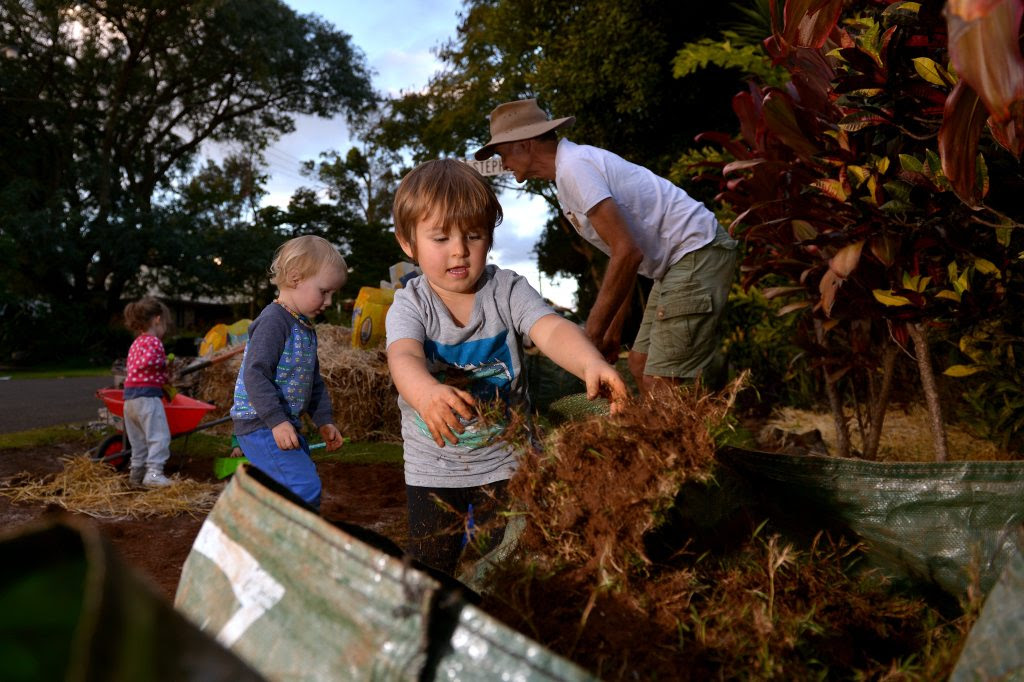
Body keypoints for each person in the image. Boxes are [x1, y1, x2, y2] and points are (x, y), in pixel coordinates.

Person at [385, 158, 628, 576]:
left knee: (515, 565)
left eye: (474, 235)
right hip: (434, 467)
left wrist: (589, 360)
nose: (459, 249)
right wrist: (425, 393)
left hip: (509, 464)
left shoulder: (507, 289)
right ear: (408, 243)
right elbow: (403, 357)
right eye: (441, 237)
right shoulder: (411, 303)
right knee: (429, 570)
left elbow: (550, 329)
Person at [475, 98, 739, 396]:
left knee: (661, 380)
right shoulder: (568, 175)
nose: (503, 164)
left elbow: (628, 253)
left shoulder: (574, 169)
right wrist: (613, 331)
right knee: (640, 364)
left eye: (502, 153)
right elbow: (624, 257)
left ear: (524, 144)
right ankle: (663, 439)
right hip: (679, 261)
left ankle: (686, 442)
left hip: (696, 252)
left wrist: (590, 338)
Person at [230, 235, 347, 511]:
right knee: (302, 488)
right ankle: (291, 546)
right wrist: (276, 421)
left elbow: (312, 382)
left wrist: (324, 421)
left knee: (290, 485)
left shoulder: (304, 328)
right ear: (296, 278)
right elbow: (255, 374)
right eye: (324, 291)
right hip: (261, 424)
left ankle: (266, 537)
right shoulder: (273, 321)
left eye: (333, 294)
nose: (329, 301)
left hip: (280, 422)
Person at [122, 296, 176, 488]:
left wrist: (162, 379)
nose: (164, 331)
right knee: (159, 437)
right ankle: (153, 473)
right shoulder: (153, 342)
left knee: (138, 441)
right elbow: (148, 363)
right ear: (157, 319)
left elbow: (134, 368)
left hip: (129, 400)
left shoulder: (136, 343)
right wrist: (165, 364)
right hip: (147, 398)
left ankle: (136, 474)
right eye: (165, 325)